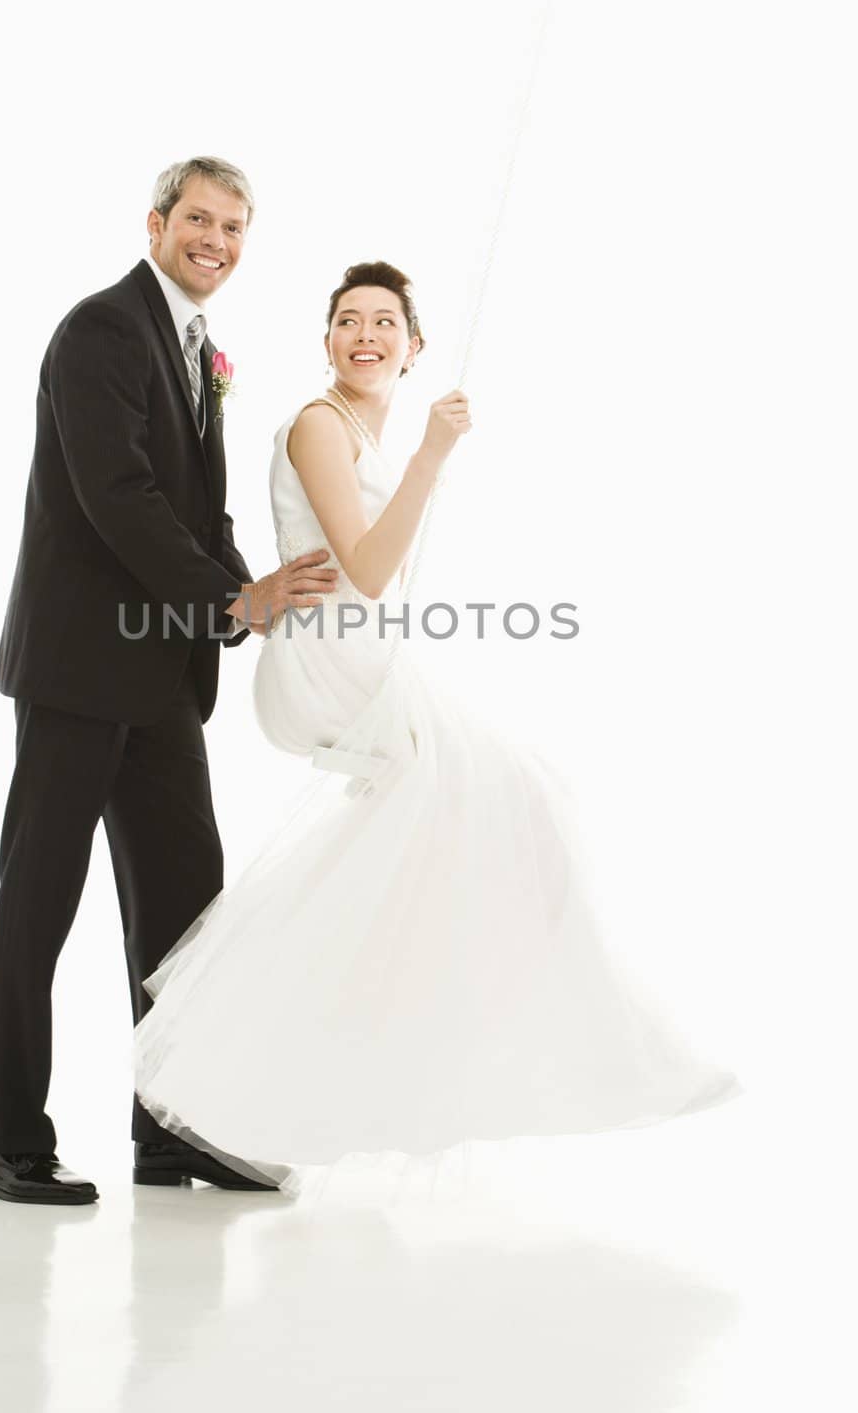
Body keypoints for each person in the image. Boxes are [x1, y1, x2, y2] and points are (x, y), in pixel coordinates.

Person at [132, 260, 743, 1193]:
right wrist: (431, 455)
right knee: (499, 788)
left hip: (372, 650)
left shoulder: (364, 432)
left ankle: (375, 1033)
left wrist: (414, 460)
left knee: (479, 814)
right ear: (327, 341)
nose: (364, 334)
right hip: (329, 656)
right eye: (347, 321)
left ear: (412, 349)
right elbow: (368, 571)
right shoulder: (316, 425)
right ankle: (393, 1028)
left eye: (384, 322)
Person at [0, 157, 339, 1204]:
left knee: (185, 907)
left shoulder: (200, 350)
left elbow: (196, 511)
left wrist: (252, 596)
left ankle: (173, 1131)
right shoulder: (100, 331)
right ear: (157, 223)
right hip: (80, 669)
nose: (215, 240)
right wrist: (230, 601)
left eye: (234, 227)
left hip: (164, 676)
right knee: (39, 900)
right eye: (199, 219)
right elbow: (116, 495)